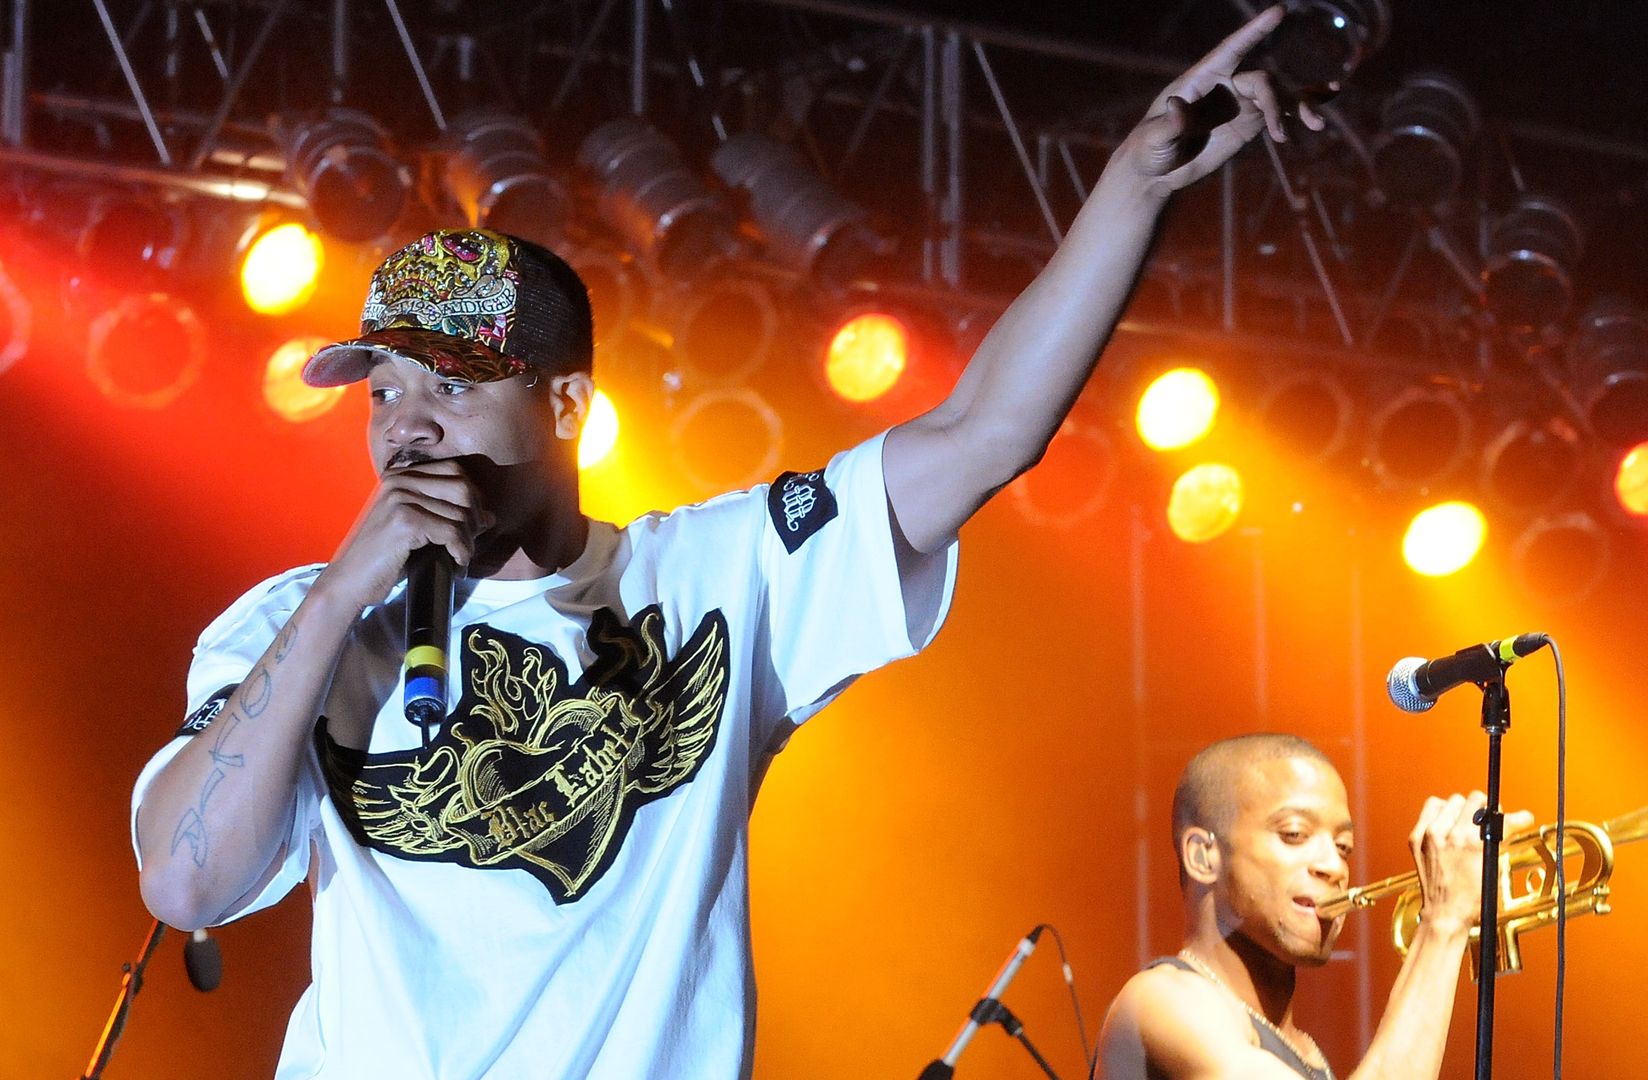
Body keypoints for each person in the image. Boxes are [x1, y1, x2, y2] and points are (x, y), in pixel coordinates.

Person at [130, 8, 1303, 1078]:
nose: (408, 424)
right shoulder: (295, 625)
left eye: (452, 384)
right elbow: (186, 880)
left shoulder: (713, 577)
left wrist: (1130, 195)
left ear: (568, 409)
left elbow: (983, 432)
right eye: (383, 391)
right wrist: (338, 602)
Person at [1092, 734, 1532, 1080]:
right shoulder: (1161, 1000)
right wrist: (1444, 922)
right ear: (1203, 856)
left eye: (1343, 847)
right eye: (1294, 835)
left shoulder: (1304, 1049)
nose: (1333, 866)